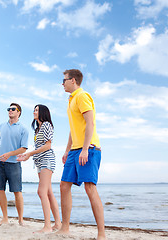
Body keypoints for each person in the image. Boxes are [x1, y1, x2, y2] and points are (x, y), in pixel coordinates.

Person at [58, 69, 106, 239]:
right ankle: (65, 228)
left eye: (64, 80)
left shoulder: (82, 96)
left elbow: (90, 123)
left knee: (90, 188)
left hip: (89, 148)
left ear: (73, 80)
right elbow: (73, 129)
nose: (62, 83)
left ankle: (101, 234)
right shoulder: (71, 100)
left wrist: (85, 149)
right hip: (74, 150)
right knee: (64, 185)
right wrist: (67, 150)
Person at [17, 104, 62, 233]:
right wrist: (27, 155)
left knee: (41, 192)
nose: (34, 112)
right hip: (39, 161)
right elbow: (38, 149)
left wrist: (30, 153)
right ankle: (57, 224)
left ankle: (47, 226)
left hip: (47, 159)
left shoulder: (47, 125)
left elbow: (48, 145)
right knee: (48, 192)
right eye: (34, 110)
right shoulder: (37, 129)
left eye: (36, 110)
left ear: (43, 112)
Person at [0, 103, 29, 226]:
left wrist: (9, 154)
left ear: (19, 112)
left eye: (13, 109)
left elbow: (23, 148)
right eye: (9, 109)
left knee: (17, 191)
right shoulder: (2, 126)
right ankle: (5, 217)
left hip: (14, 164)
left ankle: (21, 219)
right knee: (0, 190)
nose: (10, 111)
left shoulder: (23, 129)